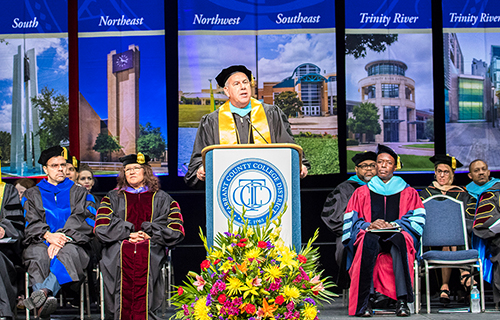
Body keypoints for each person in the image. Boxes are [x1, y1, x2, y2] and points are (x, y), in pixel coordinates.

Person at [184, 65, 310, 188]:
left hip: (269, 184)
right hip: (227, 188)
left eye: (245, 82)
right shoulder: (211, 121)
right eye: (236, 84)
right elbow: (199, 159)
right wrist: (200, 170)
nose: (243, 87)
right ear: (227, 91)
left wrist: (299, 165)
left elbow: (288, 147)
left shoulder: (271, 114)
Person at [95, 153, 185, 320]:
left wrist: (149, 234)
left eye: (136, 168)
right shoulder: (112, 198)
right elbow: (101, 227)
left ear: (146, 171)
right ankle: (119, 314)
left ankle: (147, 314)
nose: (131, 172)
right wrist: (127, 233)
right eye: (127, 169)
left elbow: (175, 229)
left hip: (151, 245)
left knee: (146, 252)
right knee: (120, 254)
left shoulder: (162, 198)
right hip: (119, 245)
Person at [343, 144, 425, 317]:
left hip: (398, 234)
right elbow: (352, 220)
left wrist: (395, 225)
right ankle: (367, 301)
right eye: (379, 162)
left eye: (388, 163)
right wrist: (368, 226)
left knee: (399, 241)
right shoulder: (361, 192)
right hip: (370, 235)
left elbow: (416, 219)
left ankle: (402, 302)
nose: (383, 166)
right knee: (367, 241)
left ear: (395, 167)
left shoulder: (408, 192)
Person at [22, 146, 95, 318]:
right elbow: (29, 221)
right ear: (45, 169)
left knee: (68, 252)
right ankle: (43, 303)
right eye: (54, 165)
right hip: (41, 241)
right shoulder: (31, 194)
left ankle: (43, 293)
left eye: (63, 165)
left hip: (73, 242)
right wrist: (48, 236)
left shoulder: (80, 193)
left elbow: (86, 219)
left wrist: (62, 238)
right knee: (36, 254)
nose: (61, 169)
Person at [419, 154, 475, 304]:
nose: (442, 175)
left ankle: (446, 286)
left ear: (452, 174)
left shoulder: (462, 193)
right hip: (431, 238)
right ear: (435, 173)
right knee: (446, 238)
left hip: (459, 239)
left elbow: (469, 218)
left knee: (453, 237)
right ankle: (464, 274)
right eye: (439, 171)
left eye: (446, 171)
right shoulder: (426, 193)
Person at [321, 151, 377, 288]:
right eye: (364, 166)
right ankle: (365, 293)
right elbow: (333, 218)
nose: (369, 168)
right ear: (356, 169)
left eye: (372, 165)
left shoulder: (384, 189)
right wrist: (360, 228)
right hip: (351, 235)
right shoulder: (345, 189)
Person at [0, 162, 24, 320]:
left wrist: (3, 227)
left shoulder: (7, 190)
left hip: (4, 248)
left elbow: (15, 222)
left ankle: (3, 312)